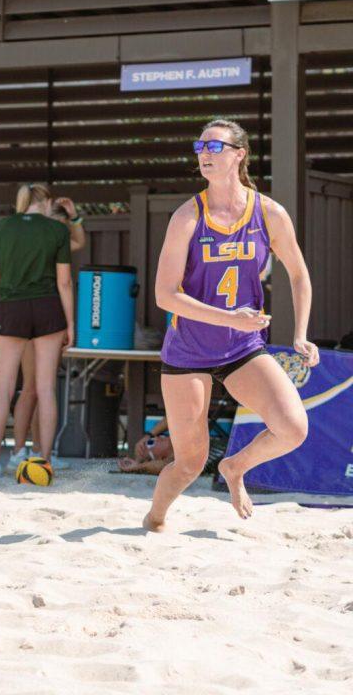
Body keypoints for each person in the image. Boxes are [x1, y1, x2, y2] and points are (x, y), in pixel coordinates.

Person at [148, 118, 317, 530]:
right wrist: (230, 318)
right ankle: (154, 519)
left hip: (241, 348)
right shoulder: (188, 215)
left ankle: (235, 468)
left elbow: (298, 274)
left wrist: (300, 334)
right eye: (200, 147)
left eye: (214, 147)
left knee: (293, 428)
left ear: (239, 154)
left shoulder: (268, 213)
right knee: (189, 463)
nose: (204, 153)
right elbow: (165, 295)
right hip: (189, 350)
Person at [0, 183, 75, 480]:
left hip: (11, 309)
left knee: (4, 389)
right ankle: (43, 462)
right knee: (45, 389)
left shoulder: (3, 227)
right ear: (44, 203)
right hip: (48, 309)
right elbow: (64, 283)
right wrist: (70, 324)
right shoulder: (57, 231)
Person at [8, 196, 87, 468]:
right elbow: (66, 277)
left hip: (30, 315)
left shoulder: (34, 239)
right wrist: (69, 323)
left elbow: (78, 242)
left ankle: (33, 450)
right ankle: (28, 451)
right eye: (61, 224)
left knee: (36, 388)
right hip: (43, 316)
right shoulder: (44, 239)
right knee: (34, 388)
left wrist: (74, 216)